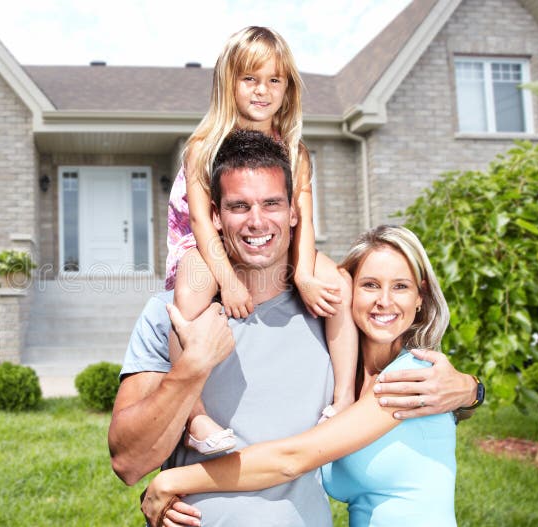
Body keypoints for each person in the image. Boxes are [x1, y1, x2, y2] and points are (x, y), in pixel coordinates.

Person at [108, 129, 481, 526]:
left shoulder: (329, 315)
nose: (256, 221)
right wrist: (192, 367)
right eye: (239, 206)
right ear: (215, 215)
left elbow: (379, 379)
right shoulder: (172, 316)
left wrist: (470, 389)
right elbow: (129, 464)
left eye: (272, 203)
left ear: (293, 212)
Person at [141, 225, 462, 527]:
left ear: (420, 298)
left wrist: (172, 481)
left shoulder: (410, 377)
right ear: (348, 289)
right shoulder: (345, 381)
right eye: (370, 284)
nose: (385, 301)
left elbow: (291, 459)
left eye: (401, 287)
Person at [165, 25, 357, 455]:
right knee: (190, 295)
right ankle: (195, 415)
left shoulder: (294, 150)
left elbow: (302, 220)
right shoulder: (203, 146)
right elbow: (199, 220)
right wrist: (228, 282)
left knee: (338, 285)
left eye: (275, 80)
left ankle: (344, 396)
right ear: (228, 82)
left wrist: (305, 276)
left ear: (288, 89)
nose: (262, 91)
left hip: (274, 245)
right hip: (207, 245)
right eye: (250, 78)